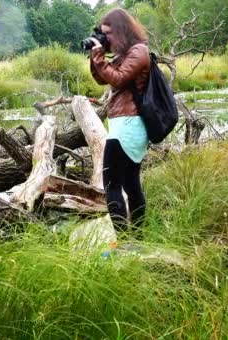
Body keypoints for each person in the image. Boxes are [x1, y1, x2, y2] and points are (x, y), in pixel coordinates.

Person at [89, 8, 150, 235]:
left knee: (111, 184)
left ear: (121, 31)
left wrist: (100, 57)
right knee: (130, 183)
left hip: (129, 125)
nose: (106, 39)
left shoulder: (138, 52)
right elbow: (101, 78)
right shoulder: (125, 54)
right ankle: (137, 237)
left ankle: (124, 240)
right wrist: (97, 54)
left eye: (108, 34)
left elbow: (119, 78)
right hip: (124, 124)